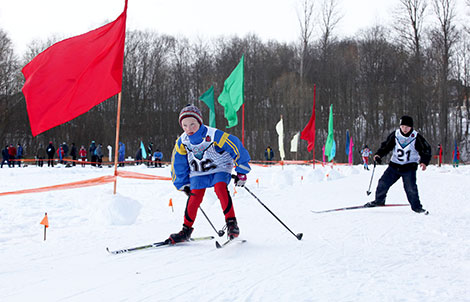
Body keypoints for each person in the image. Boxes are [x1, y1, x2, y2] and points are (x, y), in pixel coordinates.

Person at [167, 104, 251, 244]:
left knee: (220, 188)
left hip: (220, 167)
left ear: (199, 122)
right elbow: (178, 163)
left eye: (193, 124)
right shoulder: (182, 141)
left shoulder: (213, 135)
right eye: (185, 125)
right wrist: (182, 183)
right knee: (194, 196)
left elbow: (235, 146)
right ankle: (185, 230)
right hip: (199, 172)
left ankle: (231, 224)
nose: (189, 129)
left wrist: (241, 171)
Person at [364, 116, 431, 214]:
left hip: (409, 167)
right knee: (383, 183)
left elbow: (426, 149)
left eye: (407, 127)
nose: (404, 129)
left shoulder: (416, 137)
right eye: (402, 126)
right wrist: (379, 154)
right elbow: (386, 146)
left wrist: (424, 162)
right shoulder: (396, 135)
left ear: (411, 127)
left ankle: (417, 207)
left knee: (410, 188)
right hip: (394, 165)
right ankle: (379, 200)